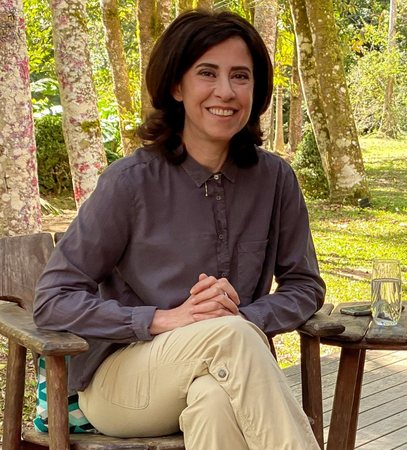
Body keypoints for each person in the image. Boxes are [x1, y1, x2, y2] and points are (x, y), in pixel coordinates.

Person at [34, 10, 322, 449]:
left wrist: (244, 317)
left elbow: (304, 285)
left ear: (256, 89)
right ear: (176, 85)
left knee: (213, 402)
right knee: (230, 339)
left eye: (240, 76)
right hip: (122, 382)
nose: (225, 91)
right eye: (207, 73)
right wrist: (163, 319)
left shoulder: (275, 179)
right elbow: (52, 299)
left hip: (224, 368)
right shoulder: (130, 183)